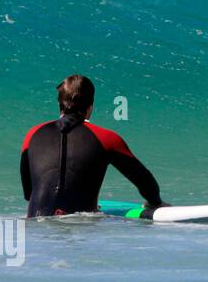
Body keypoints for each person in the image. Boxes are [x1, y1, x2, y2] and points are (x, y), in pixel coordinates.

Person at [19, 75, 164, 218]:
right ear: (90, 106)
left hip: (37, 226)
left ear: (59, 104)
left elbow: (28, 193)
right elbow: (145, 181)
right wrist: (155, 203)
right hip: (82, 225)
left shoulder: (32, 135)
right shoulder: (106, 138)